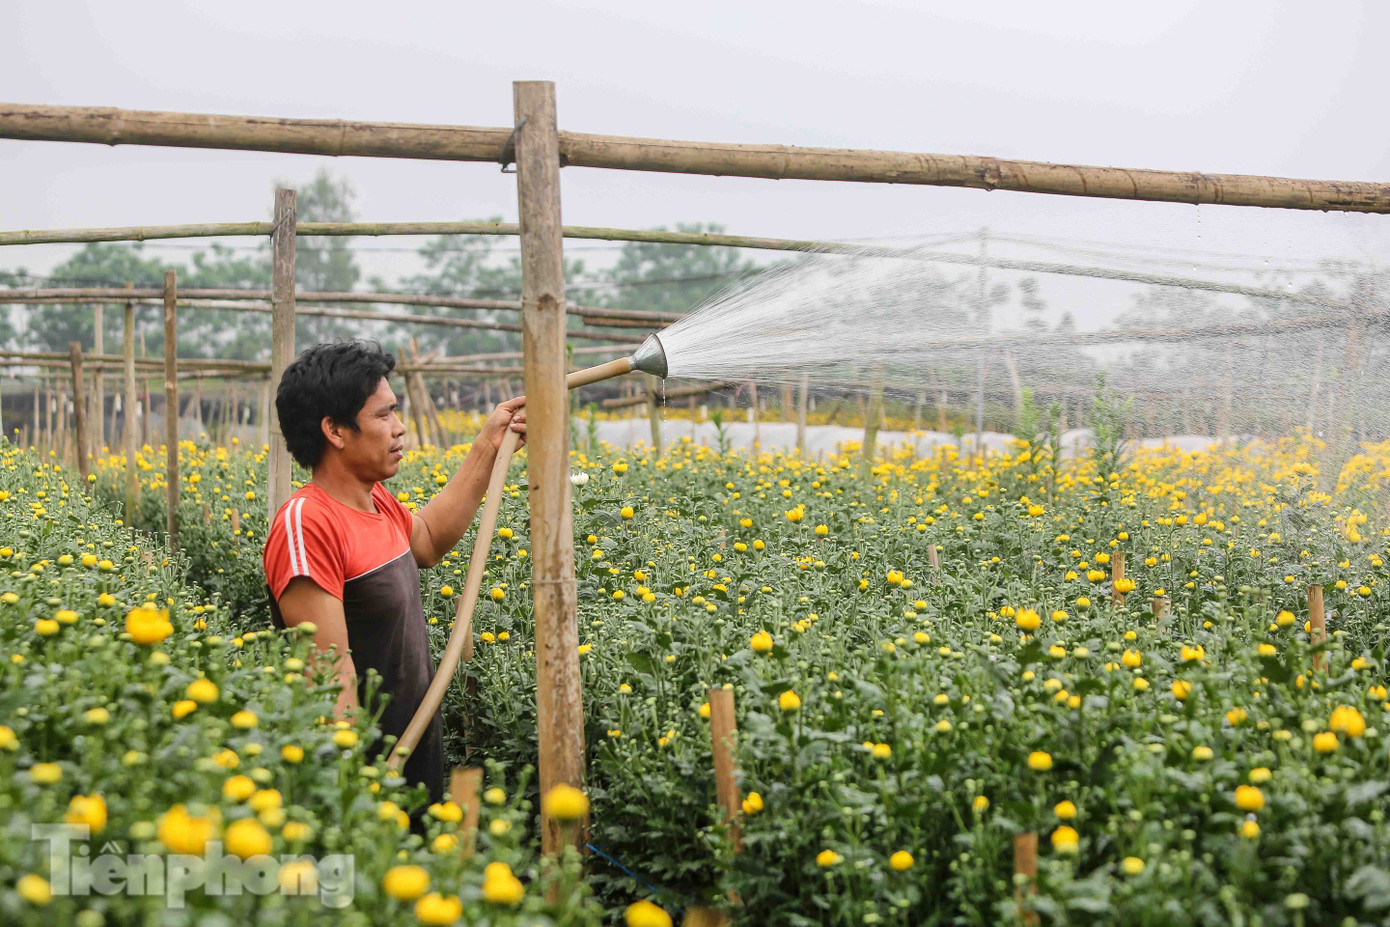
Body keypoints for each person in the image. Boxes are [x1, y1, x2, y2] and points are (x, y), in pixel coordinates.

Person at [262, 340, 525, 815]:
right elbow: (329, 680)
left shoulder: (373, 498)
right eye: (384, 416)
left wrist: (489, 444)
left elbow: (424, 541)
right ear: (335, 431)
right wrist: (357, 797)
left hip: (413, 767)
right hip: (368, 789)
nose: (399, 428)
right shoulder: (308, 522)